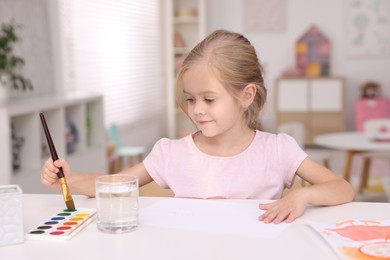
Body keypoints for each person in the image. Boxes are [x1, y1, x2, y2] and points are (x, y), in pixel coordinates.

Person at [41, 29, 354, 224]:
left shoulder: (278, 149)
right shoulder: (171, 153)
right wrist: (72, 178)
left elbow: (343, 188)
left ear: (246, 96)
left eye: (209, 99)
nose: (197, 111)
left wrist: (302, 196)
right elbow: (115, 183)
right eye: (191, 99)